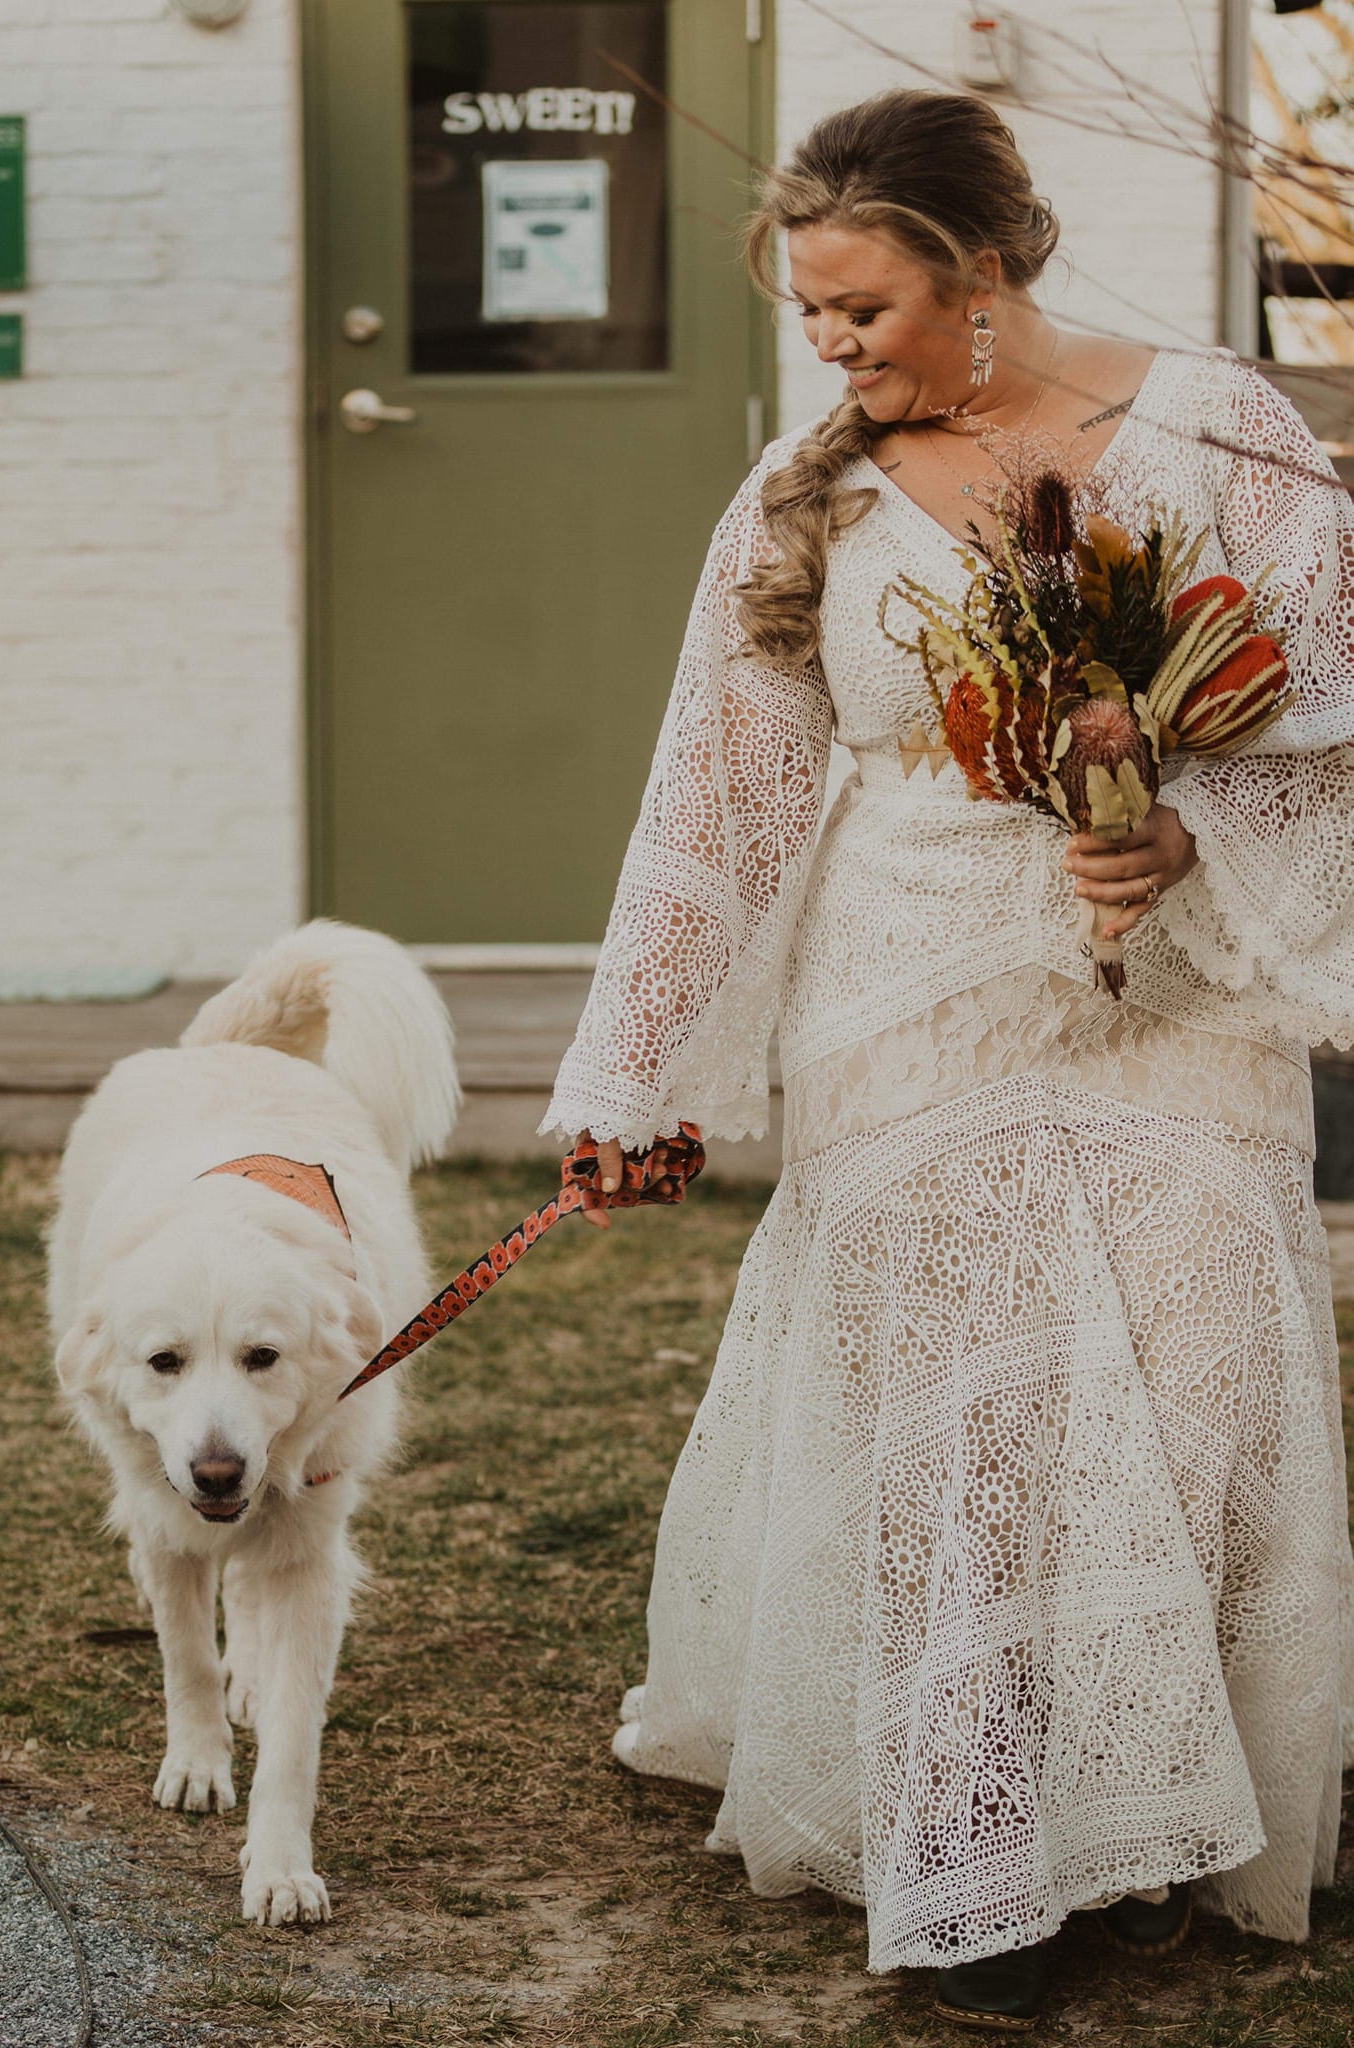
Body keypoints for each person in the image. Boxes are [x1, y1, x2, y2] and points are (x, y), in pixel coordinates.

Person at [539, 90, 1354, 2031]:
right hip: (909, 991)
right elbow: (716, 798)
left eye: (862, 308)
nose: (830, 346)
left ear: (980, 274)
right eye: (808, 314)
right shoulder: (802, 495)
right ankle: (975, 1848)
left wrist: (1186, 831)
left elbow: (1329, 711)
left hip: (1183, 994)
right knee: (966, 1425)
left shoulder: (1222, 430)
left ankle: (1154, 1816)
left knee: (1189, 1394)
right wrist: (627, 1074)